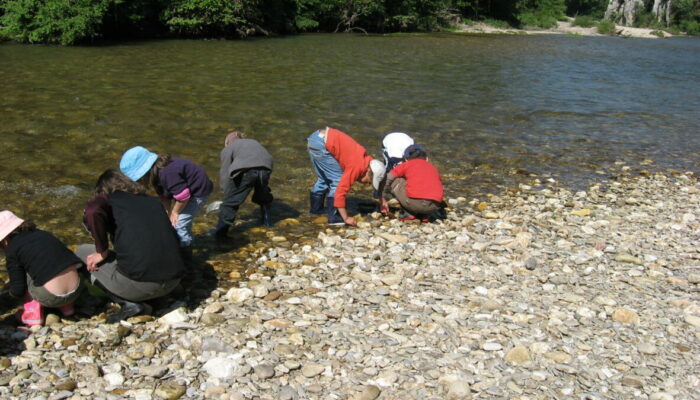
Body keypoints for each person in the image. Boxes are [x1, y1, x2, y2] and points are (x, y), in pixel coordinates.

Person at [78, 169, 185, 322]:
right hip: (174, 280)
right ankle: (165, 293)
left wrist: (102, 251)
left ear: (103, 190)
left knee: (82, 251)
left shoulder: (108, 199)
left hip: (143, 287)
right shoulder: (153, 201)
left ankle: (129, 303)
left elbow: (92, 210)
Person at [119, 146, 213, 260]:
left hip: (198, 190)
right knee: (168, 220)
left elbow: (184, 196)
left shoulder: (167, 173)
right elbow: (163, 196)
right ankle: (177, 243)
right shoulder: (155, 173)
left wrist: (175, 212)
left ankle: (186, 254)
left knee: (180, 223)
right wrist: (167, 214)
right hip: (183, 189)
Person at [0, 210, 83, 326]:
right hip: (77, 289)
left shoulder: (12, 250)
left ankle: (33, 315)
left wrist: (9, 293)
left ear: (4, 240)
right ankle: (67, 308)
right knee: (46, 264)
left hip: (51, 297)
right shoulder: (43, 234)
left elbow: (19, 289)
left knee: (26, 272)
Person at [307, 127, 385, 226]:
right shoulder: (357, 167)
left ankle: (316, 209)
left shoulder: (368, 161)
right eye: (369, 181)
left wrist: (382, 199)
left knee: (324, 177)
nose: (367, 183)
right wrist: (346, 218)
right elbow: (340, 191)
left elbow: (381, 176)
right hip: (323, 144)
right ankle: (335, 218)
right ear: (368, 171)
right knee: (337, 181)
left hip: (315, 139)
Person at [211, 131, 274, 237]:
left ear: (227, 142)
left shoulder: (228, 148)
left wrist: (227, 192)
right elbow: (264, 156)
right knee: (262, 193)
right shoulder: (253, 142)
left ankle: (220, 232)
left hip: (247, 170)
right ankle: (267, 222)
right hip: (266, 167)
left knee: (230, 203)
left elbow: (225, 172)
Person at [381, 144, 445, 222]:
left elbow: (389, 177)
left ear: (406, 159)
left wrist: (384, 193)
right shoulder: (433, 167)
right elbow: (440, 185)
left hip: (413, 204)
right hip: (433, 207)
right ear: (427, 159)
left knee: (397, 179)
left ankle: (408, 212)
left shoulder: (406, 164)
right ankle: (424, 215)